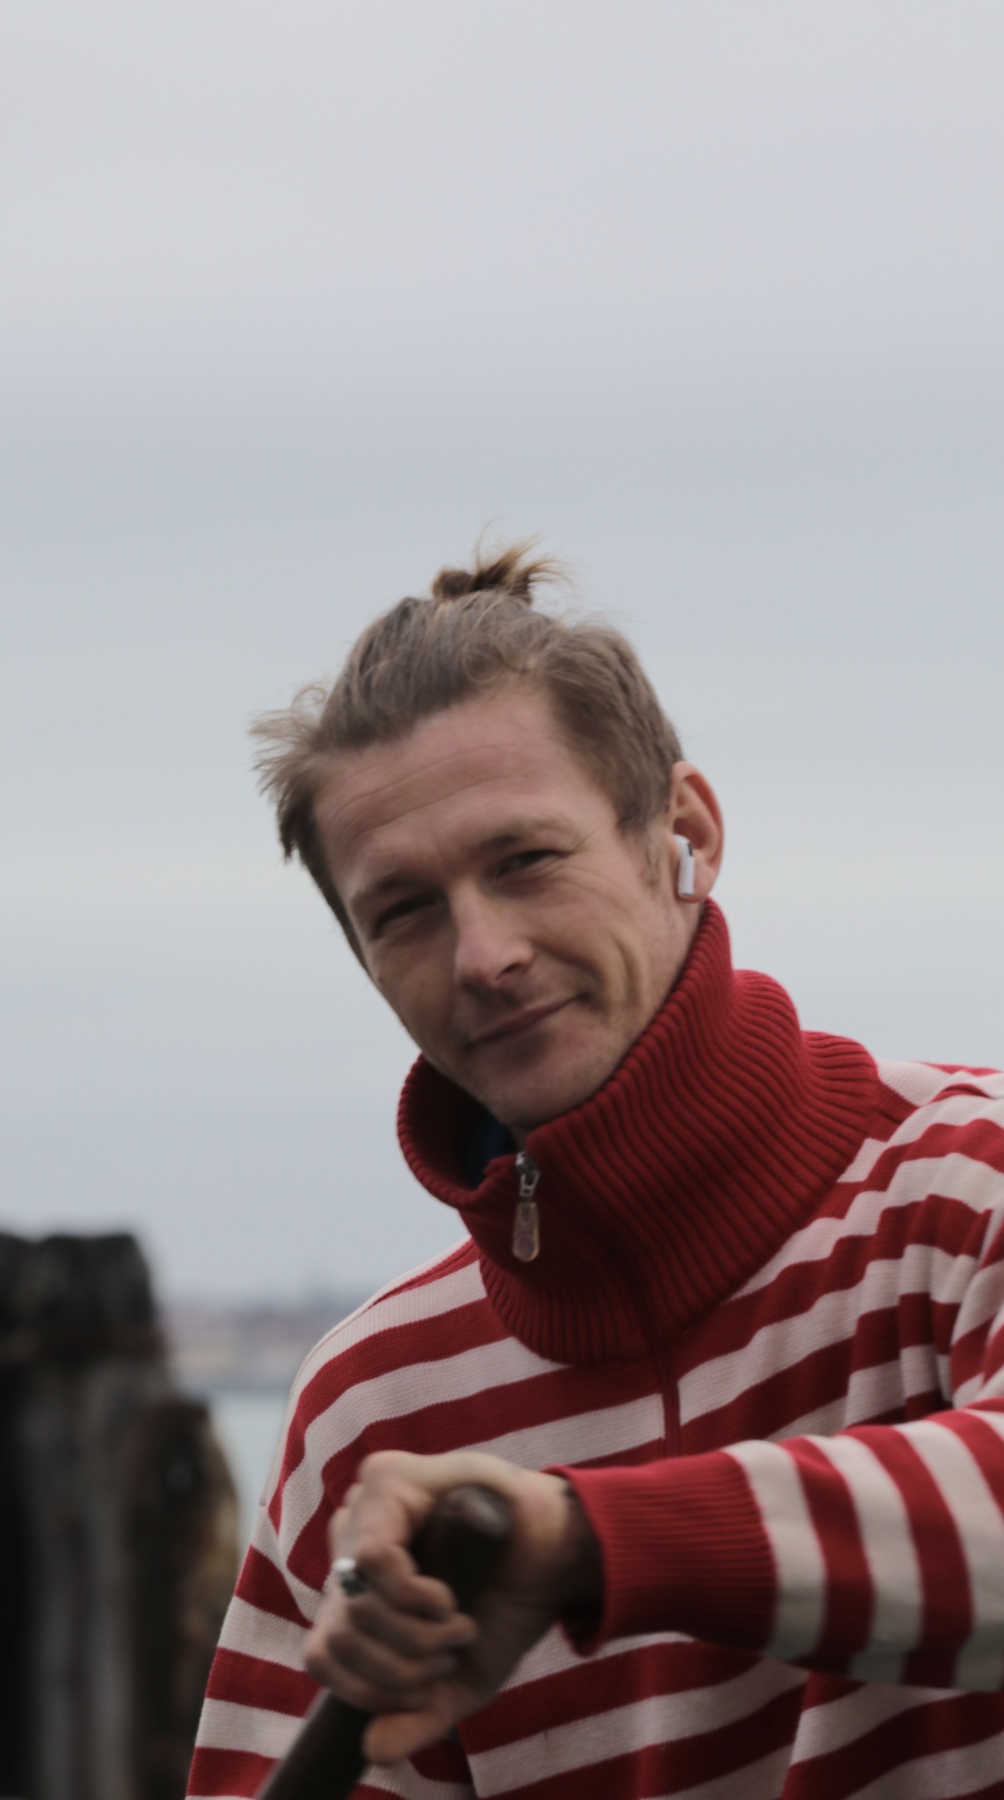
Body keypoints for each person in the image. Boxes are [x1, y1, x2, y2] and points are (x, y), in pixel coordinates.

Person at [188, 545, 1004, 1799]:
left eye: (525, 860)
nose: (484, 954)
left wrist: (577, 1541)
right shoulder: (370, 1412)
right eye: (403, 910)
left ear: (686, 834)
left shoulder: (967, 1183)